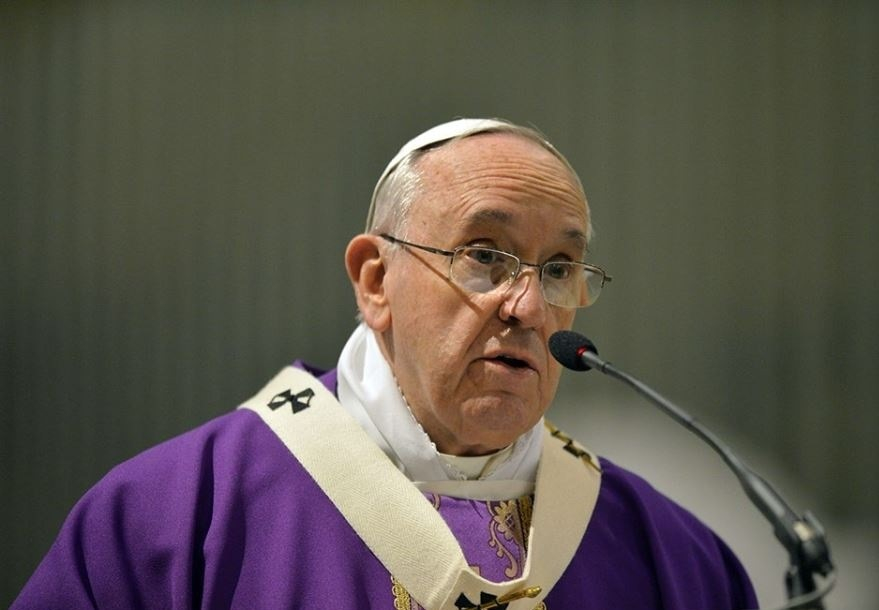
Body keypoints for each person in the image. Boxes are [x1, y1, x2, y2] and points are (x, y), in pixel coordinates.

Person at [14, 118, 757, 609]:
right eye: (485, 255)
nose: (528, 307)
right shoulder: (173, 521)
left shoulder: (671, 558)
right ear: (375, 281)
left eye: (560, 268)